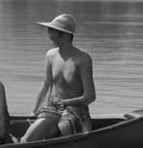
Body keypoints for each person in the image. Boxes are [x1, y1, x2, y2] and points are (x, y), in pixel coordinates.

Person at [20, 14, 95, 142]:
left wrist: (64, 103)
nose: (48, 34)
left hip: (76, 111)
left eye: (51, 30)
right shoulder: (50, 55)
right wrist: (34, 111)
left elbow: (90, 97)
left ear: (64, 34)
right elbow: (46, 85)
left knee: (51, 133)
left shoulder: (83, 59)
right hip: (53, 108)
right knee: (28, 139)